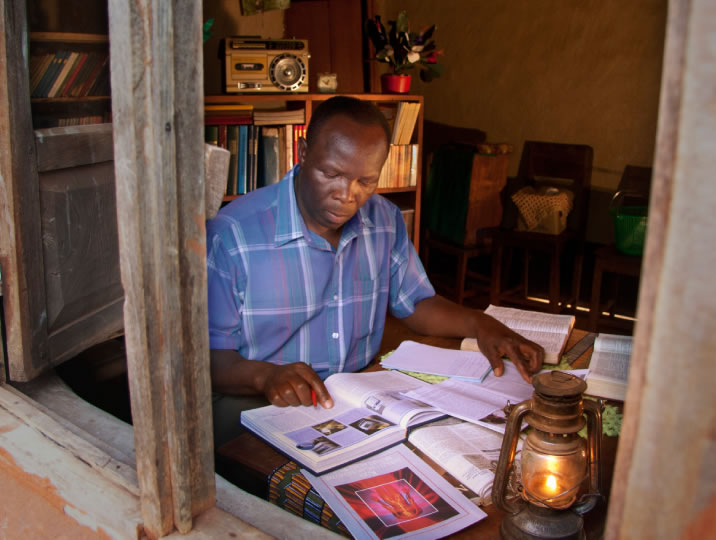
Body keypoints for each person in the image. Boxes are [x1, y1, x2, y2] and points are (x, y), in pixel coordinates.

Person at [206, 96, 543, 447]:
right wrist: (266, 377)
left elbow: (415, 303)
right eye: (331, 174)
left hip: (355, 397)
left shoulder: (384, 219)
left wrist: (481, 324)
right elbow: (209, 359)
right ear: (303, 152)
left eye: (365, 181)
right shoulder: (234, 235)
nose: (347, 195)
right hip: (258, 403)